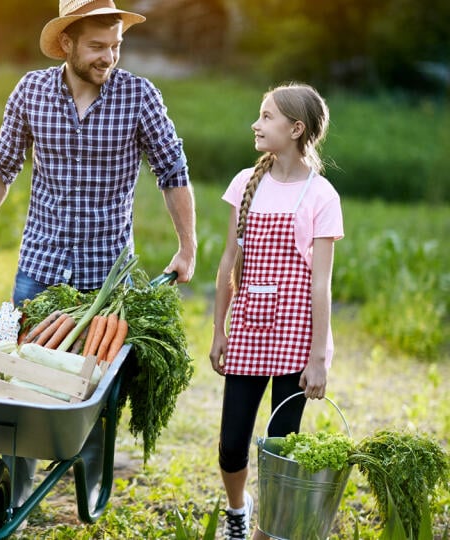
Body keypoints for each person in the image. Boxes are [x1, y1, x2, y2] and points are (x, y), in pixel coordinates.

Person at [0, 0, 197, 511]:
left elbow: (172, 171)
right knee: (14, 378)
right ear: (67, 43)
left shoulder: (139, 96)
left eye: (116, 46)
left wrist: (187, 248)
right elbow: (0, 165)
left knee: (94, 393)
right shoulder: (31, 91)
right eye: (97, 46)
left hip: (106, 279)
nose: (108, 56)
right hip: (38, 269)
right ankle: (16, 483)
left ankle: (90, 471)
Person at [209, 83, 343, 539]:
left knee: (281, 448)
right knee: (232, 446)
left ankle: (269, 531)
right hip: (248, 329)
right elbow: (229, 261)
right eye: (259, 114)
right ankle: (237, 510)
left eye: (267, 116)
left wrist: (319, 357)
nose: (257, 123)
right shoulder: (245, 183)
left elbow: (321, 284)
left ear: (296, 128)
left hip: (295, 336)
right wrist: (218, 330)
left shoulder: (321, 195)